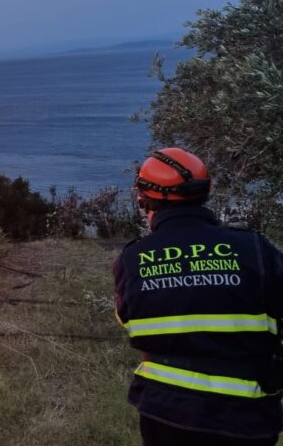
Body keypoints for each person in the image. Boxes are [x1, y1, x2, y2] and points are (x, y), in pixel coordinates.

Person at [114, 147, 283, 445]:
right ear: (207, 192)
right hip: (247, 416)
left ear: (144, 200)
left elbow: (129, 321)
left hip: (164, 412)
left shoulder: (132, 259)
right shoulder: (255, 249)